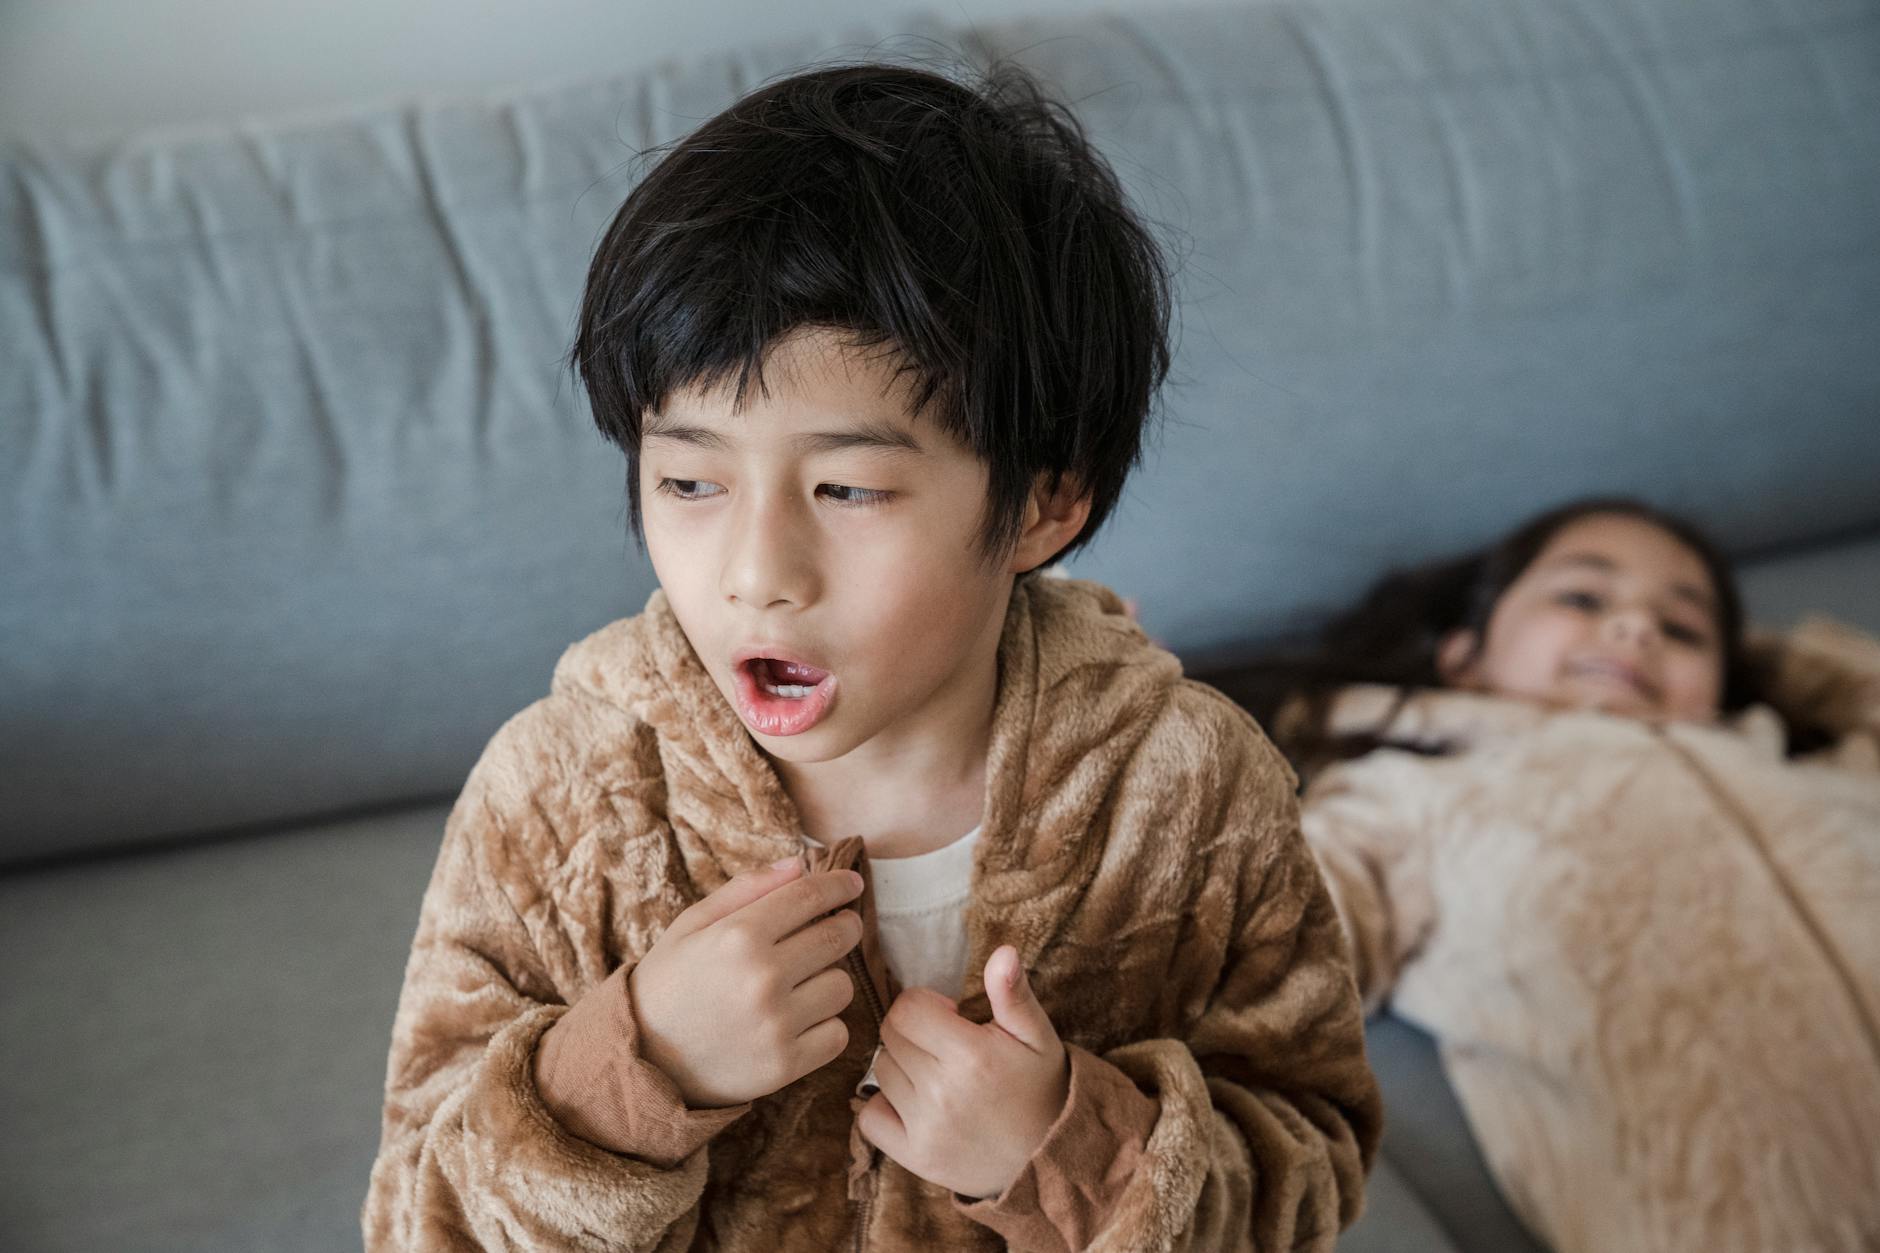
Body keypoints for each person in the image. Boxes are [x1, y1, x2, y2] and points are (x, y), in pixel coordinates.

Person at [362, 61, 1380, 1252]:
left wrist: (1067, 1151)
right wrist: (633, 1069)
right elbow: (413, 1220)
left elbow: (1311, 1160)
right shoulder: (560, 798)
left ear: (1046, 502)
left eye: (846, 486)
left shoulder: (1189, 792)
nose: (755, 570)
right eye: (689, 480)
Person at [1229, 497, 1880, 1252]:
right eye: (1583, 597)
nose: (1638, 627)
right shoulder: (1421, 793)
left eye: (1684, 628)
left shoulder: (1811, 768)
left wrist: (1774, 668)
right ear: (1465, 657)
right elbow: (1284, 925)